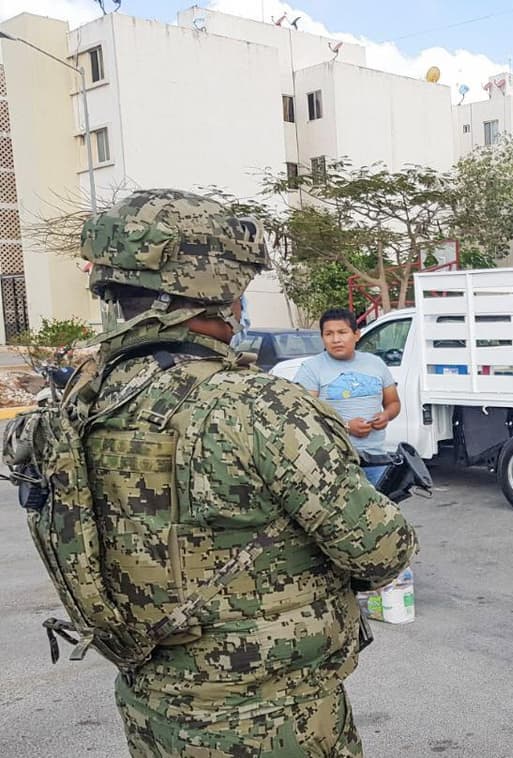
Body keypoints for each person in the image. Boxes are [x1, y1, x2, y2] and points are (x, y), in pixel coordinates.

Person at [62, 190, 417, 755]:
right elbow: (380, 552)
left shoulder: (86, 401)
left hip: (152, 706)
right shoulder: (256, 406)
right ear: (216, 289)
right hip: (274, 719)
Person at [297, 308, 401, 485]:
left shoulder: (375, 363)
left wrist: (386, 415)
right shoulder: (311, 368)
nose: (336, 339)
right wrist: (345, 427)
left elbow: (393, 403)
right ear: (322, 338)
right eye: (329, 334)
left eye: (342, 332)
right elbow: (302, 416)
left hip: (376, 460)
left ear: (356, 335)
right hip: (333, 462)